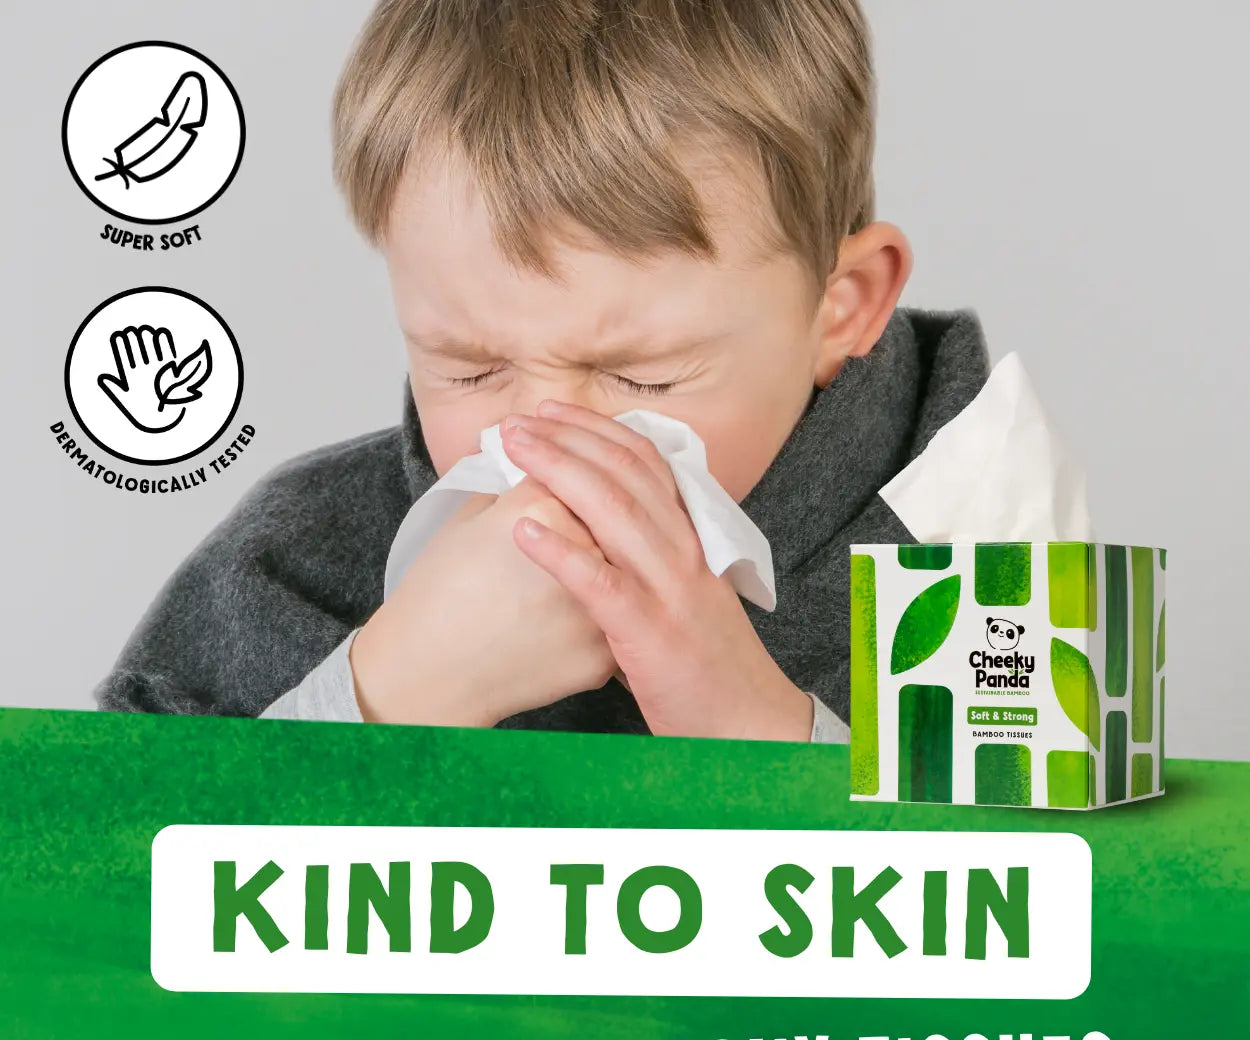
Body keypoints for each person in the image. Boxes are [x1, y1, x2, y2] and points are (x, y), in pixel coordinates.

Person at [97, 0, 991, 741]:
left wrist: (754, 730)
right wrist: (389, 696)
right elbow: (95, 908)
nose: (539, 448)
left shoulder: (986, 538)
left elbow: (1085, 921)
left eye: (646, 378)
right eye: (470, 369)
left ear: (841, 307)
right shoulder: (286, 561)